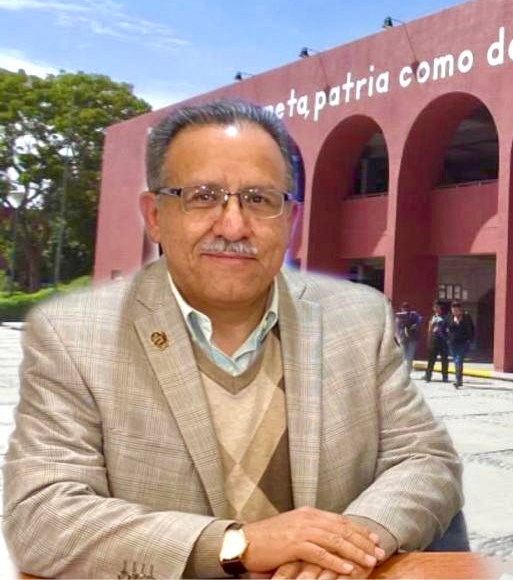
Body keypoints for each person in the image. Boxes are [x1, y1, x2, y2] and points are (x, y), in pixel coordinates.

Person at [2, 99, 463, 580]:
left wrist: (349, 543)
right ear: (155, 215)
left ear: (290, 221)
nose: (233, 226)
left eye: (259, 200)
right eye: (202, 196)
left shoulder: (359, 319)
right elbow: (41, 514)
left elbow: (425, 459)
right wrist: (237, 544)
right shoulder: (76, 335)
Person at [447, 302, 476, 389]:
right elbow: (443, 328)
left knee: (458, 360)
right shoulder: (449, 317)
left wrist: (470, 340)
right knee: (457, 361)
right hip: (453, 343)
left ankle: (458, 380)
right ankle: (459, 379)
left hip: (463, 343)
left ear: (460, 310)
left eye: (456, 310)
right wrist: (446, 339)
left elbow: (472, 329)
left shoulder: (466, 317)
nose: (454, 312)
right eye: (453, 310)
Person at [423, 301, 450, 383]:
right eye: (435, 307)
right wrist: (428, 339)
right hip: (433, 341)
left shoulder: (445, 317)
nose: (436, 309)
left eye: (437, 307)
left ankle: (445, 377)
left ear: (441, 308)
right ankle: (428, 376)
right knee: (431, 359)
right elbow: (429, 329)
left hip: (443, 341)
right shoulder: (432, 317)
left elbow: (448, 329)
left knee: (444, 360)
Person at [395, 301, 422, 368]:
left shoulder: (414, 315)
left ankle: (408, 370)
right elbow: (397, 328)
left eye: (406, 308)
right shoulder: (399, 316)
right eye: (403, 308)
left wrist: (415, 325)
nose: (405, 309)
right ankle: (405, 370)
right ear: (401, 309)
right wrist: (398, 338)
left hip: (412, 338)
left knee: (410, 356)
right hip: (403, 338)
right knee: (404, 356)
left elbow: (420, 319)